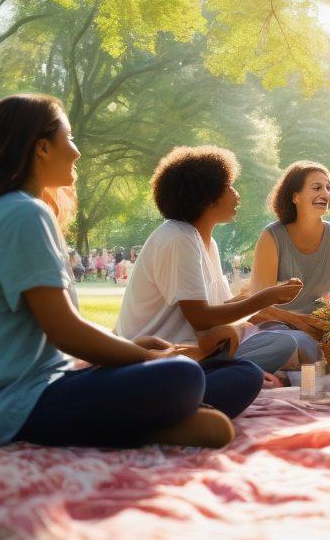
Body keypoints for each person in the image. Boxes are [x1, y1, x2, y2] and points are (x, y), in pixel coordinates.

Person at [0, 94, 262, 449]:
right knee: (181, 375)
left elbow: (56, 331)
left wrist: (129, 347)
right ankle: (152, 426)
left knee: (232, 373)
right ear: (41, 148)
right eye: (69, 138)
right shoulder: (23, 214)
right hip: (0, 406)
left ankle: (156, 418)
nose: (76, 152)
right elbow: (65, 331)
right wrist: (147, 357)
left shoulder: (10, 209)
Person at [115, 145, 301, 379]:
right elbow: (202, 318)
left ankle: (226, 373)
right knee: (247, 375)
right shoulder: (178, 237)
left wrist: (263, 293)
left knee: (281, 341)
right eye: (229, 187)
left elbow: (221, 308)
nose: (236, 194)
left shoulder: (207, 242)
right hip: (157, 358)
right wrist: (265, 298)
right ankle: (223, 375)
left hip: (198, 352)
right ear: (207, 198)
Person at [249, 161, 330, 363]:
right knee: (296, 342)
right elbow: (258, 306)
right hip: (277, 328)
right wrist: (302, 323)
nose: (325, 193)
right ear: (295, 197)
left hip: (321, 329)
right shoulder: (271, 236)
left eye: (328, 188)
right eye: (317, 187)